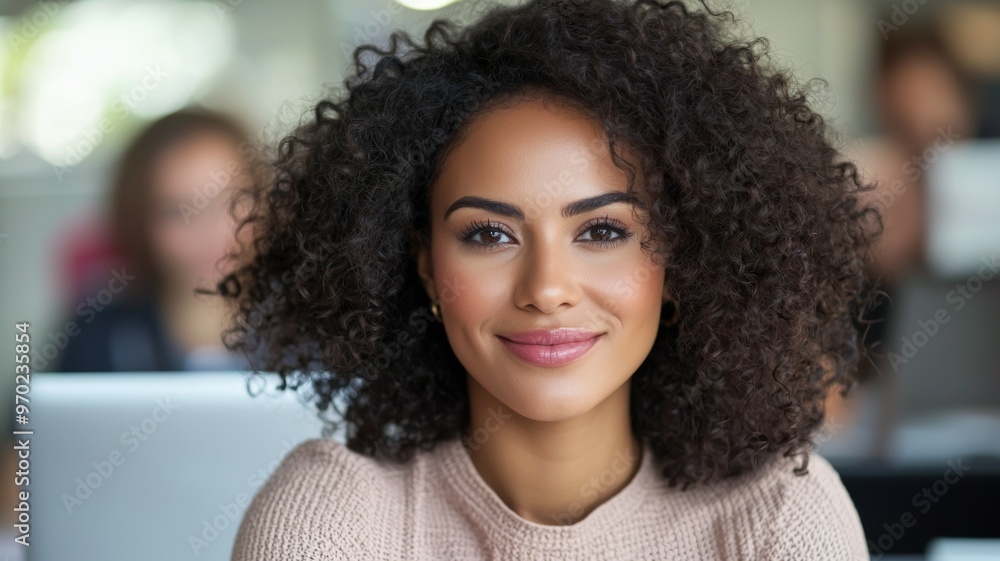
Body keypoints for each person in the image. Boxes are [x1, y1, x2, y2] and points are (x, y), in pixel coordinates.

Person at [221, 0, 881, 558]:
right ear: (425, 266)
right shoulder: (336, 520)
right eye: (488, 234)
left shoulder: (777, 520)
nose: (546, 287)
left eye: (602, 231)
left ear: (683, 261)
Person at [54, 108, 252, 372]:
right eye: (176, 210)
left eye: (231, 200)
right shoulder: (96, 333)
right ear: (139, 222)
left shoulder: (312, 328)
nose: (206, 229)